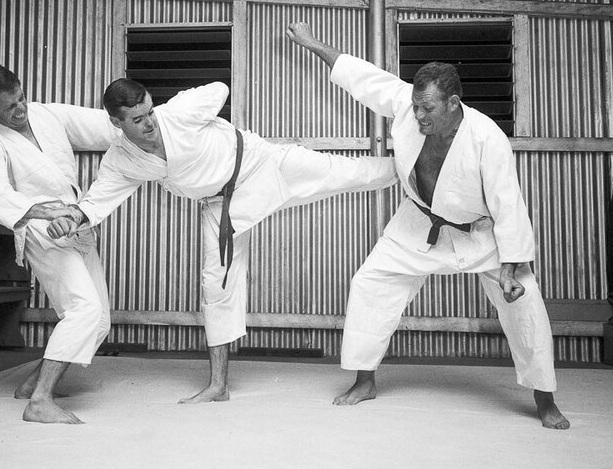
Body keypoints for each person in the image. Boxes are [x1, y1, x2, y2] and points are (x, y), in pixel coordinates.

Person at [285, 22, 570, 430]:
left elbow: (509, 204)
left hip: (478, 232)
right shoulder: (408, 105)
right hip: (417, 222)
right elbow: (360, 77)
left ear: (453, 103)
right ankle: (364, 381)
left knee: (526, 305)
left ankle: (546, 400)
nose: (417, 115)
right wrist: (313, 43)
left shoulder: (487, 139)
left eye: (428, 109)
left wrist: (511, 266)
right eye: (415, 106)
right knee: (370, 283)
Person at [59, 76, 398, 403]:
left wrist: (189, 104)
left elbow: (219, 88)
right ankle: (218, 385)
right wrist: (74, 216)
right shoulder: (121, 160)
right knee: (216, 285)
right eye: (137, 119)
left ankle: (409, 169)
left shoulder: (176, 113)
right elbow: (97, 199)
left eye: (149, 111)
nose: (149, 122)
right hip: (221, 205)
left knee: (343, 172)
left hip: (260, 163)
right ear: (116, 122)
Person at [0, 64, 119, 425]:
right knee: (82, 310)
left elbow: (104, 126)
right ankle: (40, 401)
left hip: (74, 223)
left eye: (21, 98)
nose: (21, 110)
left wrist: (154, 126)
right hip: (40, 232)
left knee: (98, 321)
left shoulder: (46, 114)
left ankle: (32, 384)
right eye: (11, 107)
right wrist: (41, 209)